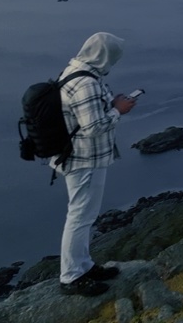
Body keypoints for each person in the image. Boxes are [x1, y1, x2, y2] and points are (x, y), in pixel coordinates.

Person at [51, 32, 137, 296]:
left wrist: (108, 105)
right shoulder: (86, 83)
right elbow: (94, 126)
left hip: (81, 157)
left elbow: (84, 116)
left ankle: (84, 266)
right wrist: (117, 110)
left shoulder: (76, 71)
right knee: (79, 217)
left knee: (84, 216)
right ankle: (71, 277)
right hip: (83, 160)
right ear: (104, 56)